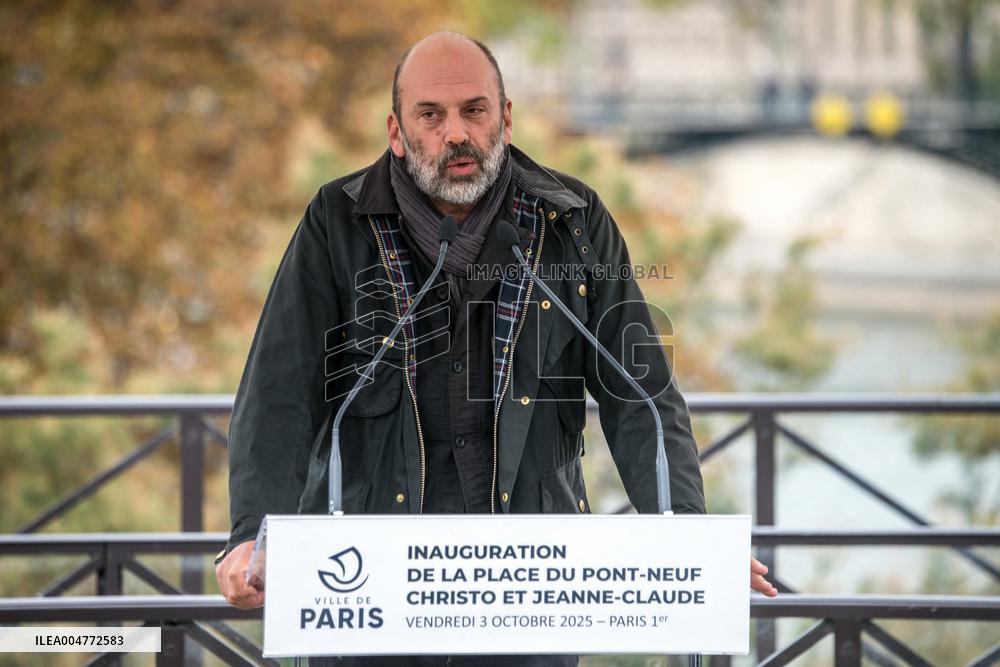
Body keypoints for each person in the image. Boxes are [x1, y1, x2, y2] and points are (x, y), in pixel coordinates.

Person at [215, 31, 777, 664]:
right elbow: (279, 390)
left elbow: (640, 397)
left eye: (474, 111)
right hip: (370, 588)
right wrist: (251, 533)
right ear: (397, 133)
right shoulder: (335, 221)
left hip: (531, 590)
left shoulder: (573, 219)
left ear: (504, 119)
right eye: (431, 115)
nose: (456, 133)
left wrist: (688, 539)